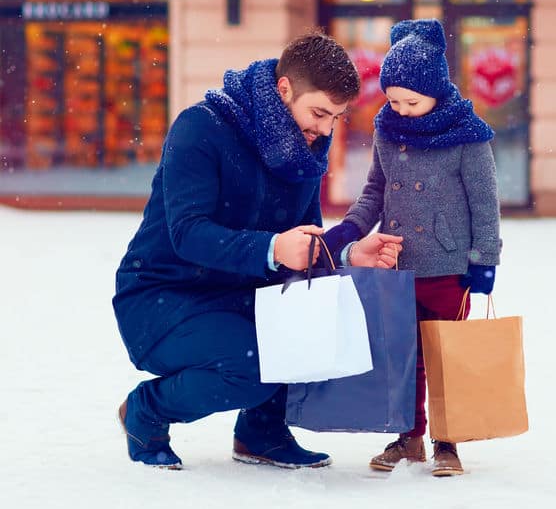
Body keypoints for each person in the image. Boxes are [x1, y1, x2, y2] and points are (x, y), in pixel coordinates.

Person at [112, 30, 403, 470]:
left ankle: (261, 433)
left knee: (312, 333)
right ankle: (146, 411)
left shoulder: (303, 150)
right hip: (162, 296)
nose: (324, 130)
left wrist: (346, 255)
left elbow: (302, 243)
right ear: (284, 89)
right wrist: (271, 248)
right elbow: (187, 234)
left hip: (240, 297)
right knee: (252, 366)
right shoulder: (202, 128)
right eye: (319, 113)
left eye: (335, 118)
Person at [326, 19, 501, 477]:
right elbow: (375, 191)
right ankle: (409, 437)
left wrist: (485, 260)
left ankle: (448, 441)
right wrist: (349, 230)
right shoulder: (388, 130)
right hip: (398, 262)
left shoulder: (468, 135)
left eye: (411, 101)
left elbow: (485, 203)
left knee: (446, 355)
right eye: (393, 100)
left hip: (449, 266)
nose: (400, 109)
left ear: (436, 93)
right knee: (404, 355)